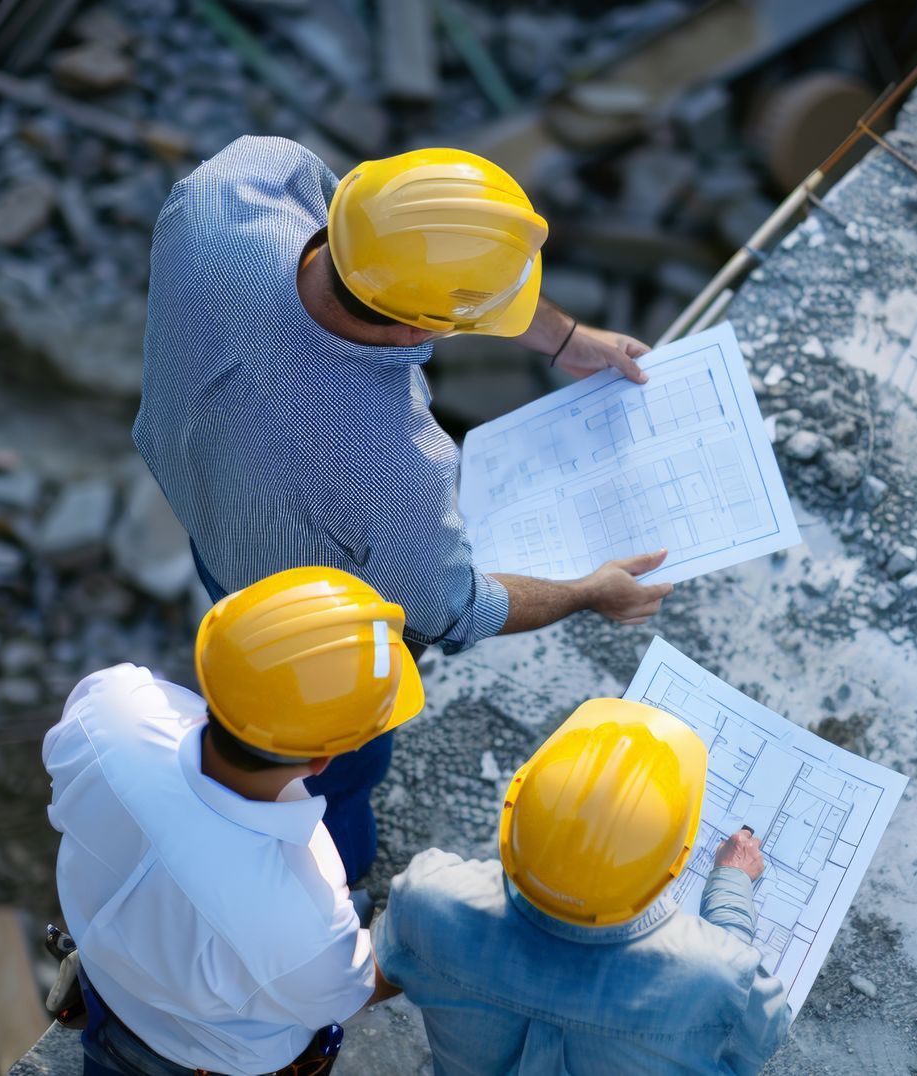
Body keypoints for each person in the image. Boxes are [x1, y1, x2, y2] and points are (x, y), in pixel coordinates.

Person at [134, 138, 675, 884]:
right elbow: (455, 608)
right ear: (423, 329)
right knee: (335, 770)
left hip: (213, 514)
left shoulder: (230, 190)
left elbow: (377, 251)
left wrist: (567, 340)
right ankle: (332, 876)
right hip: (316, 637)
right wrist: (591, 590)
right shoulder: (390, 467)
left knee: (243, 672)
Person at [43, 567, 421, 1075]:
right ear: (324, 759)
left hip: (109, 981)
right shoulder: (299, 906)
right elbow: (347, 990)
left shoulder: (114, 710)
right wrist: (435, 938)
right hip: (200, 1057)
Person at [375, 698, 793, 1074]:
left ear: (517, 808)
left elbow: (383, 964)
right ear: (677, 860)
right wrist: (731, 886)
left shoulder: (429, 898)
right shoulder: (717, 976)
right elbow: (757, 1040)